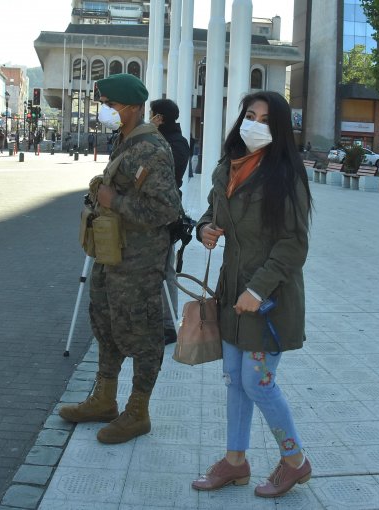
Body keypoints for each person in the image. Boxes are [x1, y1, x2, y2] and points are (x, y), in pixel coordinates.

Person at [193, 91, 313, 498]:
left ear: (278, 128)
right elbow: (213, 213)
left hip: (268, 300)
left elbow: (294, 245)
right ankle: (235, 462)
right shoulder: (228, 168)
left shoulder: (286, 175)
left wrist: (257, 289)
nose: (255, 124)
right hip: (232, 294)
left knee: (258, 383)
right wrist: (205, 229)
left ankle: (295, 461)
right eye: (250, 115)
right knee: (234, 381)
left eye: (265, 119)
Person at [58, 73, 182, 445]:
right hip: (113, 255)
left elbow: (167, 210)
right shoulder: (126, 141)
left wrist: (116, 202)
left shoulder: (150, 149)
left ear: (131, 107)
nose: (105, 111)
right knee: (106, 324)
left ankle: (138, 411)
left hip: (139, 263)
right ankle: (105, 399)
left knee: (142, 334)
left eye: (110, 105)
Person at [149, 98, 191, 345]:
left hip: (166, 213)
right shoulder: (163, 139)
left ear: (160, 118)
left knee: (166, 268)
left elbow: (167, 175)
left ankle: (168, 324)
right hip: (151, 210)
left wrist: (151, 137)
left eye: (152, 115)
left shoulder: (176, 143)